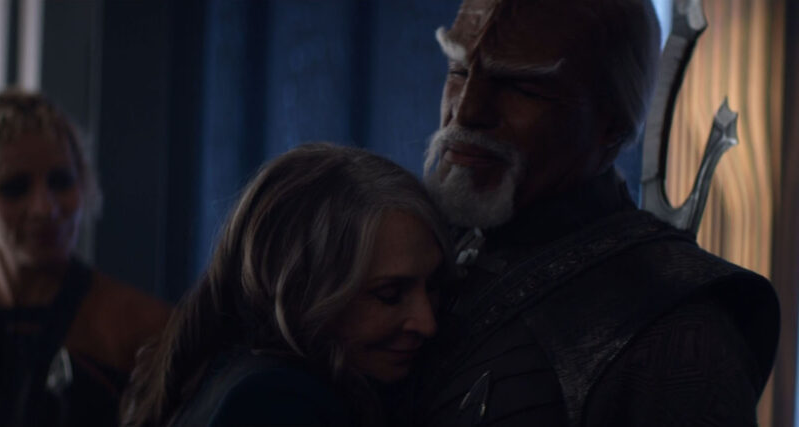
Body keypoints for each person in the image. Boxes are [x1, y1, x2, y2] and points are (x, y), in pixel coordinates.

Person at [416, 0, 779, 426]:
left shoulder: (675, 328)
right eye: (459, 71)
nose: (466, 111)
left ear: (611, 123)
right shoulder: (424, 250)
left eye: (523, 87)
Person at [121, 143, 451, 426]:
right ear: (300, 291)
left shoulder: (231, 373)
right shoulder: (276, 402)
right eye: (389, 294)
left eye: (434, 286)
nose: (428, 323)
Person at [0, 90, 170, 427]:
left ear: (83, 185)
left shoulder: (145, 334)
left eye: (61, 181)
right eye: (15, 187)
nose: (45, 208)